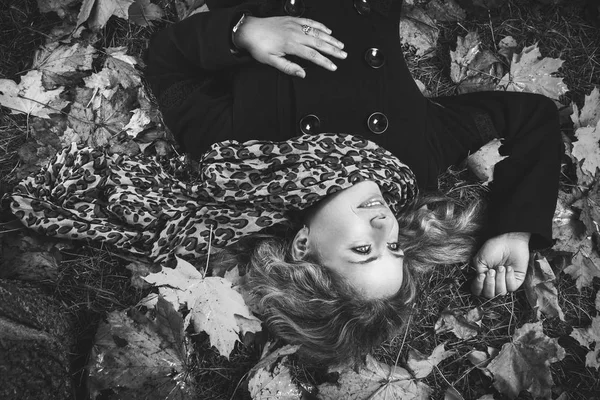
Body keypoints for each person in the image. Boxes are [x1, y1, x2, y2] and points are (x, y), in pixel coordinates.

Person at [8, 0, 561, 366]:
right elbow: (533, 116)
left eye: (364, 248)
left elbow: (168, 63)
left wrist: (241, 31)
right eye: (393, 245)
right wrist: (515, 227)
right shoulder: (417, 160)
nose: (383, 222)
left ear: (302, 245)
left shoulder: (235, 158)